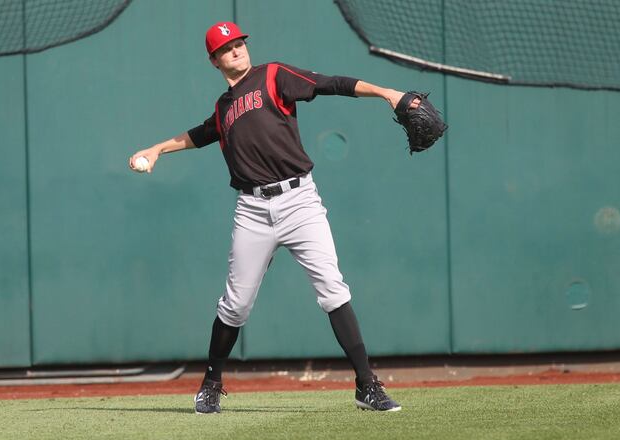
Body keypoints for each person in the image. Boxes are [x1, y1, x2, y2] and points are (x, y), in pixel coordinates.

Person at [129, 21, 419, 414]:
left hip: (299, 200)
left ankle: (366, 385)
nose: (237, 50)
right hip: (252, 210)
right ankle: (211, 383)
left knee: (333, 288)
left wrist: (386, 92)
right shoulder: (224, 107)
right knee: (235, 305)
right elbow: (199, 134)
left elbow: (329, 83)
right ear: (213, 60)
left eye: (239, 43)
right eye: (227, 48)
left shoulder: (273, 76)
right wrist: (157, 149)